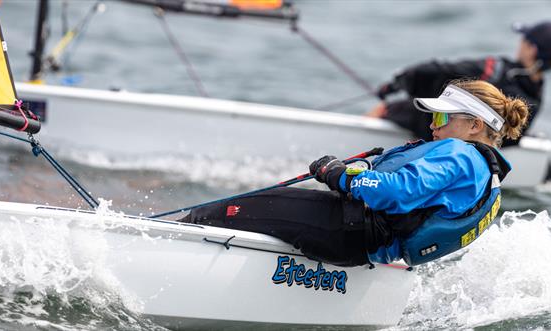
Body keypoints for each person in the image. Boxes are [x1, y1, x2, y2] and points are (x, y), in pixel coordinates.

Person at [179, 80, 528, 267]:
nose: (433, 127)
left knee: (220, 211)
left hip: (347, 227)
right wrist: (360, 168)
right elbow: (401, 185)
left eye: (441, 119)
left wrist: (339, 175)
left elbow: (397, 192)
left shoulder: (459, 154)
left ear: (474, 125)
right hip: (369, 248)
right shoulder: (485, 171)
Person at [369, 21, 551, 147]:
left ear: (531, 49)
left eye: (524, 40)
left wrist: (397, 83)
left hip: (425, 126)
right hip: (478, 150)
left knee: (383, 109)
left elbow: (439, 69)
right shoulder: (537, 95)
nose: (520, 43)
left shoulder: (495, 68)